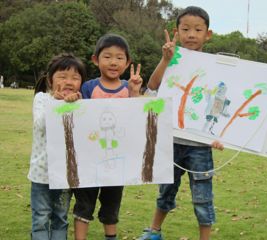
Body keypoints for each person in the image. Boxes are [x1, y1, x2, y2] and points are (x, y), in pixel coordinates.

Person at [139, 6, 224, 240]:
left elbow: (221, 101)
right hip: (172, 140)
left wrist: (222, 135)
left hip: (201, 144)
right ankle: (154, 231)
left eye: (198, 29)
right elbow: (153, 86)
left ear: (208, 34)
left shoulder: (216, 66)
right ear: (177, 31)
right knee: (166, 189)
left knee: (202, 194)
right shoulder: (171, 58)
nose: (191, 34)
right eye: (185, 29)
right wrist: (166, 59)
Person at [73, 33, 143, 240]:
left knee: (112, 204)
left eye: (120, 57)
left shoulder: (128, 89)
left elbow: (137, 118)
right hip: (89, 159)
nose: (114, 62)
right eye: (107, 56)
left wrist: (135, 92)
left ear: (127, 62)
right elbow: (78, 117)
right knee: (84, 203)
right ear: (95, 59)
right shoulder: (88, 87)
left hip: (116, 160)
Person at [28, 53, 86, 240]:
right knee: (41, 218)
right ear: (50, 80)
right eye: (62, 76)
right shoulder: (42, 99)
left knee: (60, 218)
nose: (69, 82)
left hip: (65, 174)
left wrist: (76, 106)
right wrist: (57, 102)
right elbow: (39, 125)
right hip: (41, 174)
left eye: (75, 78)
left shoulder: (82, 105)